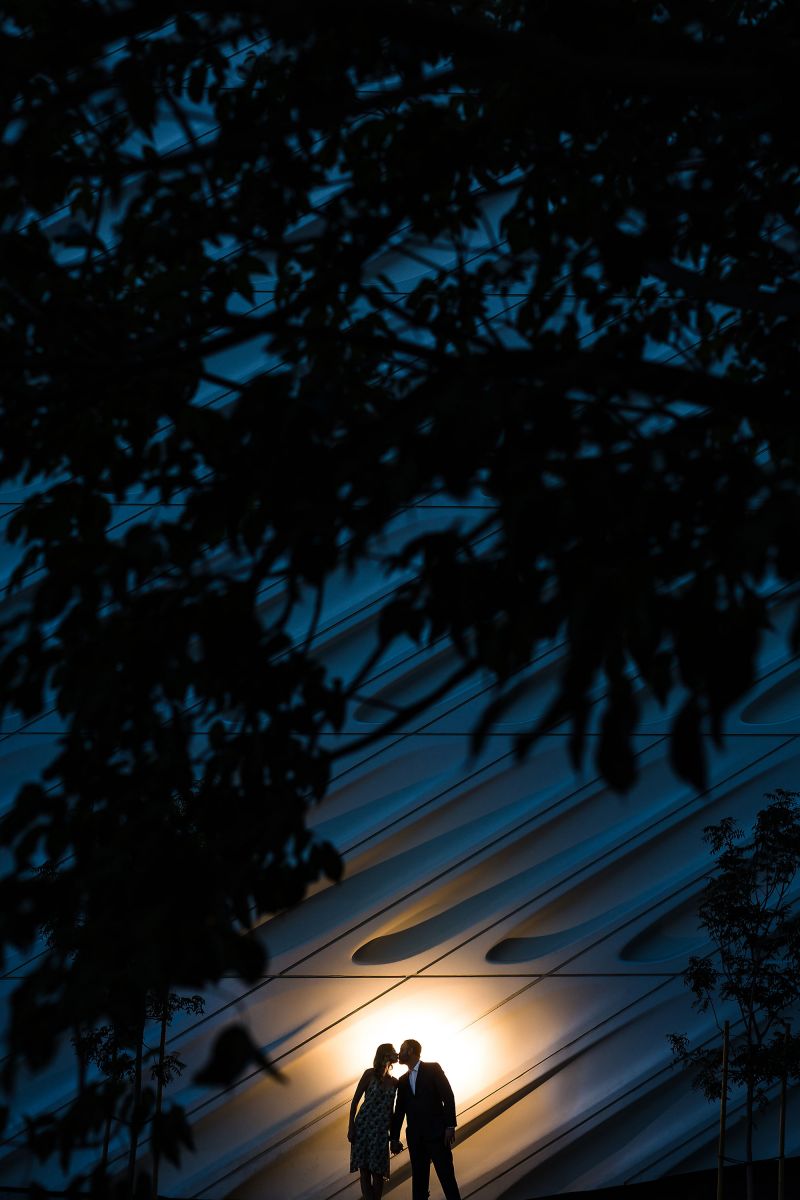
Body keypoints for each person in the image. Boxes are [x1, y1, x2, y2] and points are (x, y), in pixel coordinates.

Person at [390, 1038, 462, 1200]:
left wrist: (450, 1126)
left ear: (411, 1051)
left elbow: (448, 1096)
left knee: (447, 1179)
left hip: (437, 1135)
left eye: (402, 1049)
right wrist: (393, 1138)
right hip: (416, 1139)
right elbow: (399, 1111)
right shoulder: (402, 1081)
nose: (398, 1054)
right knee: (419, 1184)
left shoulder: (433, 1068)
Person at [348, 1043, 401, 1200]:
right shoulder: (369, 1074)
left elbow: (390, 1111)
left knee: (378, 1173)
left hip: (380, 1131)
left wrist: (393, 1137)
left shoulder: (394, 1082)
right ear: (385, 1054)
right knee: (364, 1171)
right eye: (393, 1051)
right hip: (363, 1127)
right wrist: (351, 1126)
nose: (397, 1054)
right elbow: (355, 1101)